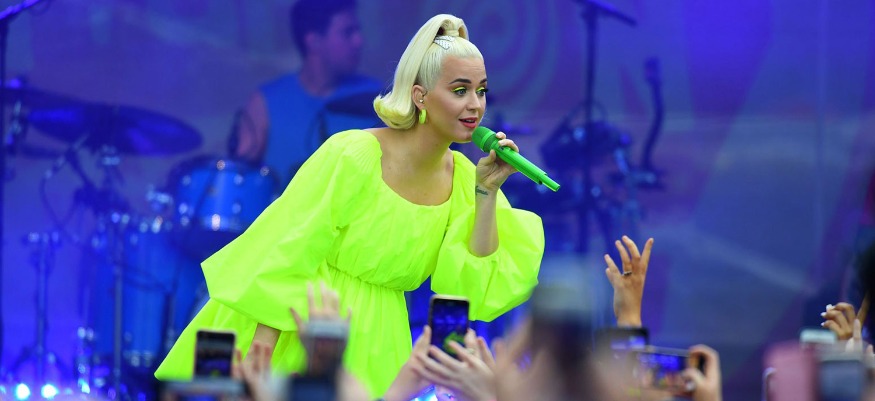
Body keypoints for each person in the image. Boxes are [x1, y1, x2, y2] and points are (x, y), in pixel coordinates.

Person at [155, 13, 545, 398]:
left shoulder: (462, 178)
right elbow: (285, 253)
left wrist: (486, 192)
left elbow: (471, 287)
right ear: (420, 96)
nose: (475, 104)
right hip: (305, 327)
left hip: (382, 344)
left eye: (481, 91)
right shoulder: (354, 155)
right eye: (460, 90)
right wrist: (263, 358)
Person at [234, 0, 383, 184]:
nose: (359, 40)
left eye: (357, 31)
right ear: (313, 41)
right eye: (348, 32)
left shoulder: (378, 98)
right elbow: (239, 181)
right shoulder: (264, 103)